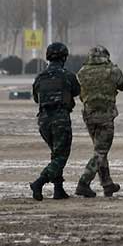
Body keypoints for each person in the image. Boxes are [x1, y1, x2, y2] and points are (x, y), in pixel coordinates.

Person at [75, 45, 123, 198]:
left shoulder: (81, 72)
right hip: (106, 116)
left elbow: (78, 92)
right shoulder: (112, 70)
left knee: (99, 150)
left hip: (89, 116)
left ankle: (107, 184)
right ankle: (83, 183)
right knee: (101, 151)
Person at [30, 42, 81, 201]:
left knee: (56, 153)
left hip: (43, 121)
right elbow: (77, 91)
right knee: (61, 156)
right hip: (60, 119)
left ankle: (58, 190)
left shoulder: (40, 76)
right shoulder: (68, 75)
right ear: (64, 57)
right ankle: (39, 182)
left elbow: (35, 97)